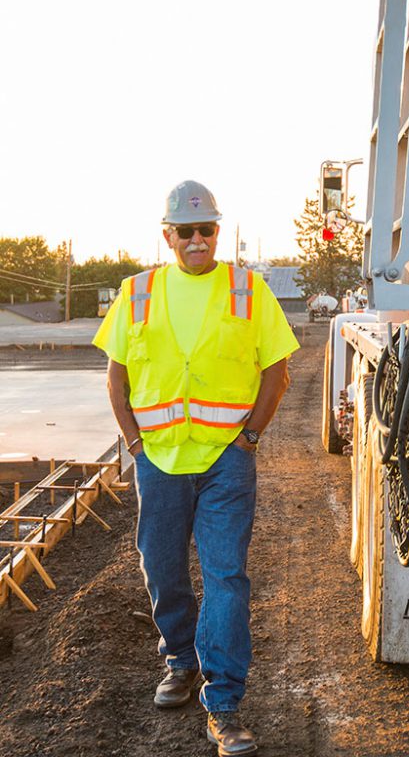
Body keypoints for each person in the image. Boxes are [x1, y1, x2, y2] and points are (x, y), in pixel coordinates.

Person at [93, 180, 299, 756]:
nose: (196, 239)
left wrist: (249, 439)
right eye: (185, 230)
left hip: (224, 465)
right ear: (168, 236)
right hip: (157, 461)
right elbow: (117, 377)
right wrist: (134, 445)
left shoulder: (248, 290)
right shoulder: (136, 292)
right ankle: (180, 660)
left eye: (206, 228)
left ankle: (225, 702)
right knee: (161, 569)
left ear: (218, 232)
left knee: (226, 576)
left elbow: (277, 372)